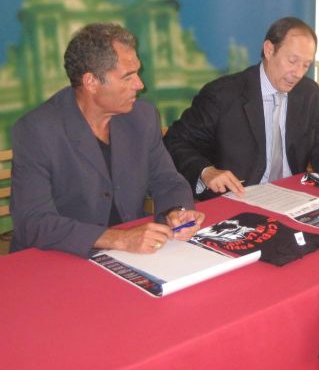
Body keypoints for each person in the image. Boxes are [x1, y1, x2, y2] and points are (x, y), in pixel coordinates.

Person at [10, 23, 204, 258]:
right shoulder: (37, 130)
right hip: (60, 255)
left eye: (138, 73)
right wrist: (118, 238)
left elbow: (168, 181)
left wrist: (176, 212)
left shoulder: (141, 117)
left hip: (132, 253)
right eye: (128, 77)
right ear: (91, 82)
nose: (140, 85)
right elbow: (33, 221)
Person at [163, 17, 319, 200]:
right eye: (292, 61)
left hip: (292, 196)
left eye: (306, 65)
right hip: (238, 197)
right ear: (269, 50)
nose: (298, 73)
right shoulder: (223, 95)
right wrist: (206, 171)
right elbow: (175, 141)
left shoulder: (308, 93)